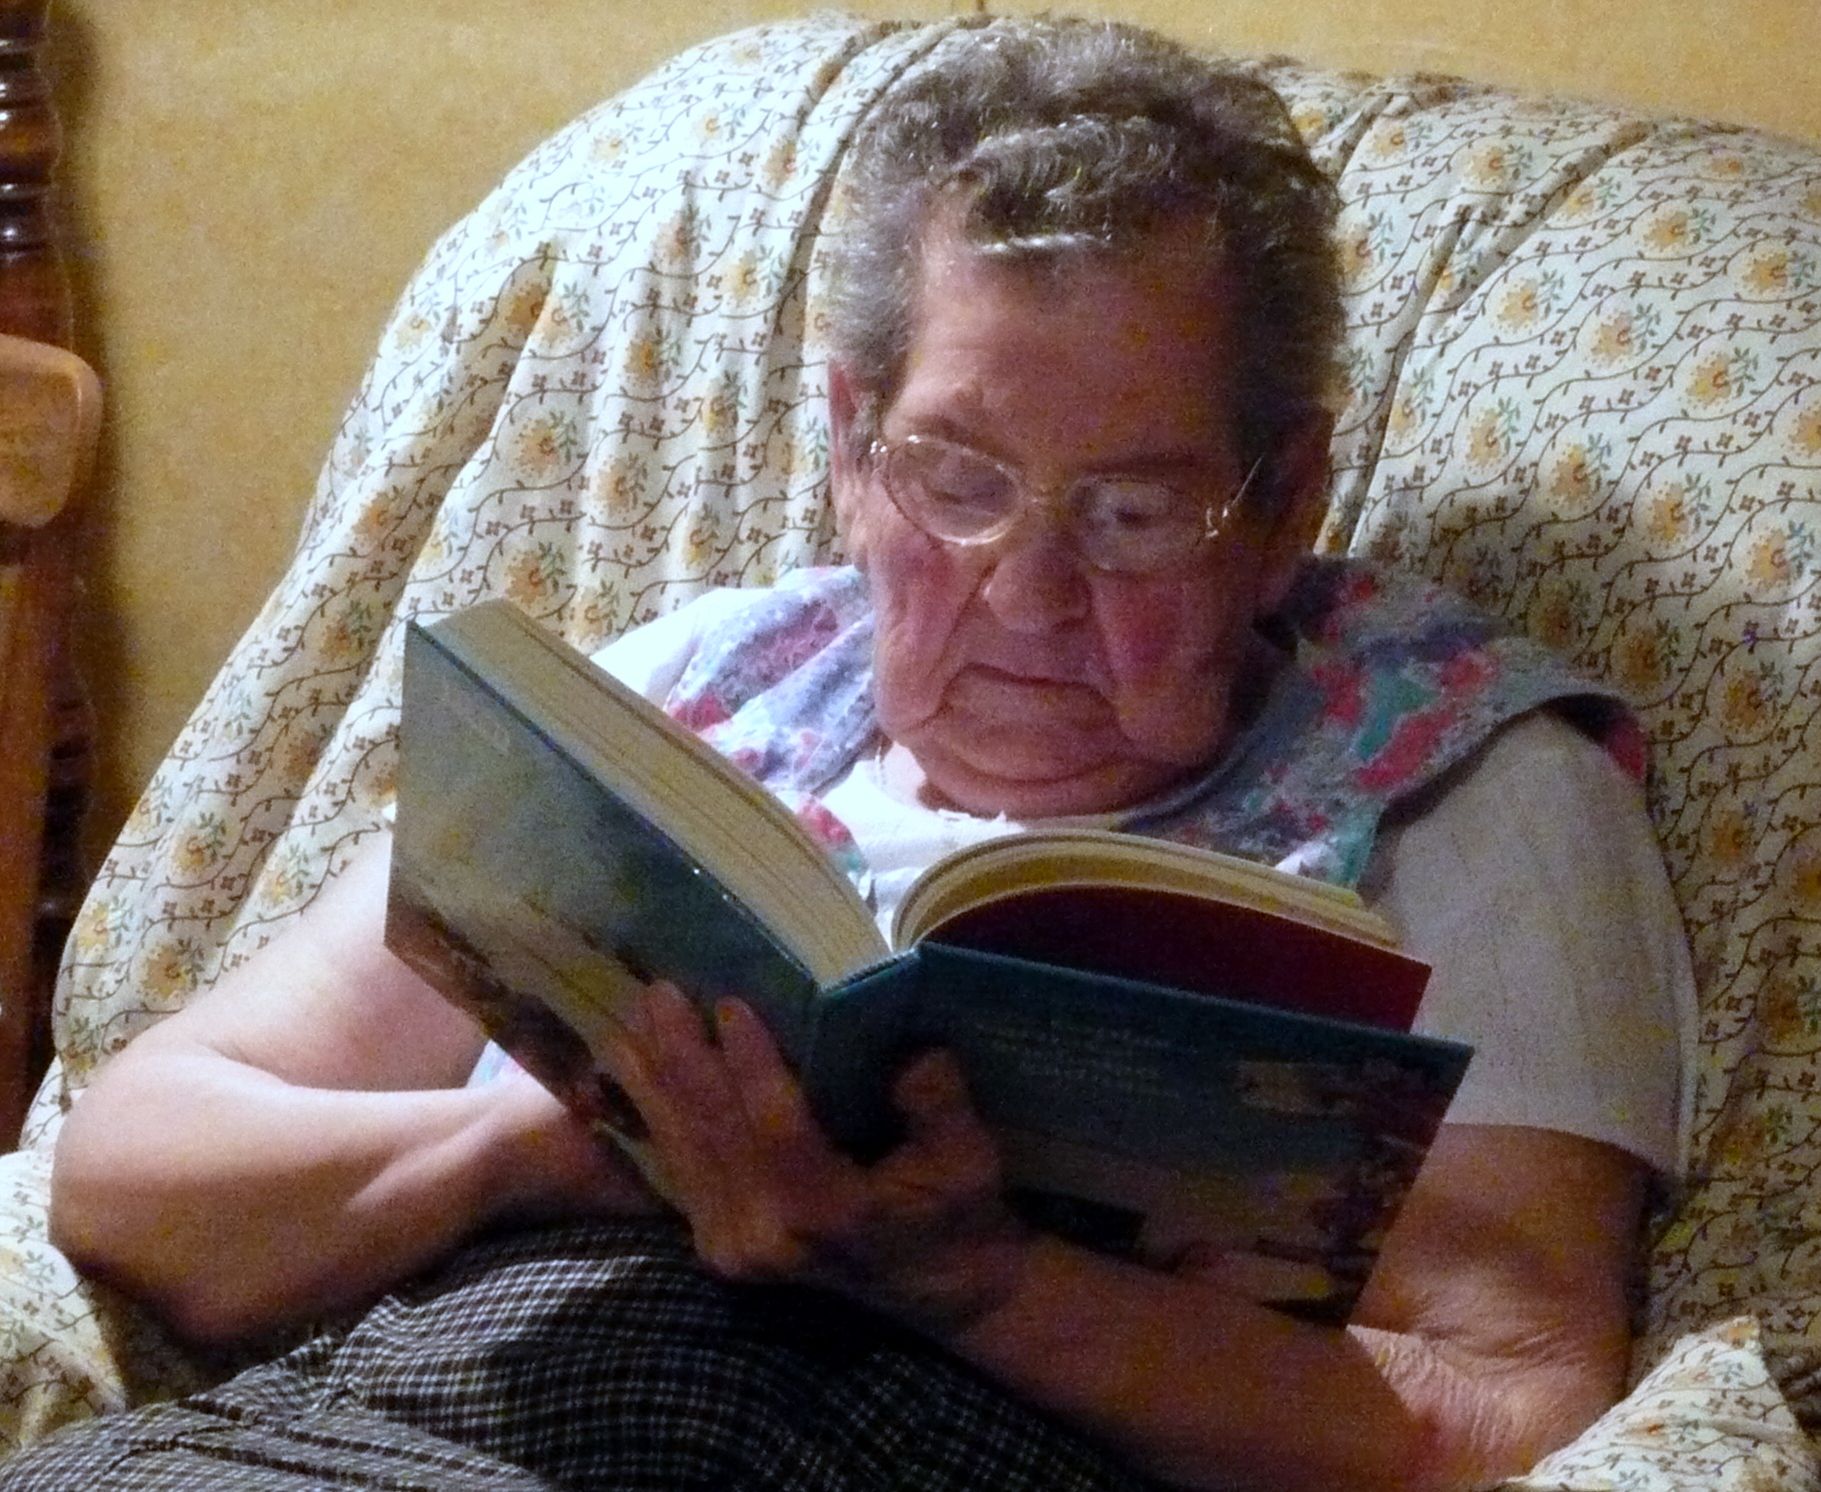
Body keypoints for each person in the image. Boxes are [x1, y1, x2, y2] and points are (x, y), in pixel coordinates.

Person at [4, 16, 1691, 1492]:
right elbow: (141, 1175)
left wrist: (980, 1286)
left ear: (1283, 503)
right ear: (848, 444)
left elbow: (1511, 1406)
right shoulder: (690, 705)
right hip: (400, 1421)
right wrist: (531, 1154)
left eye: (1132, 510)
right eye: (955, 479)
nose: (1024, 593)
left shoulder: (1461, 788)